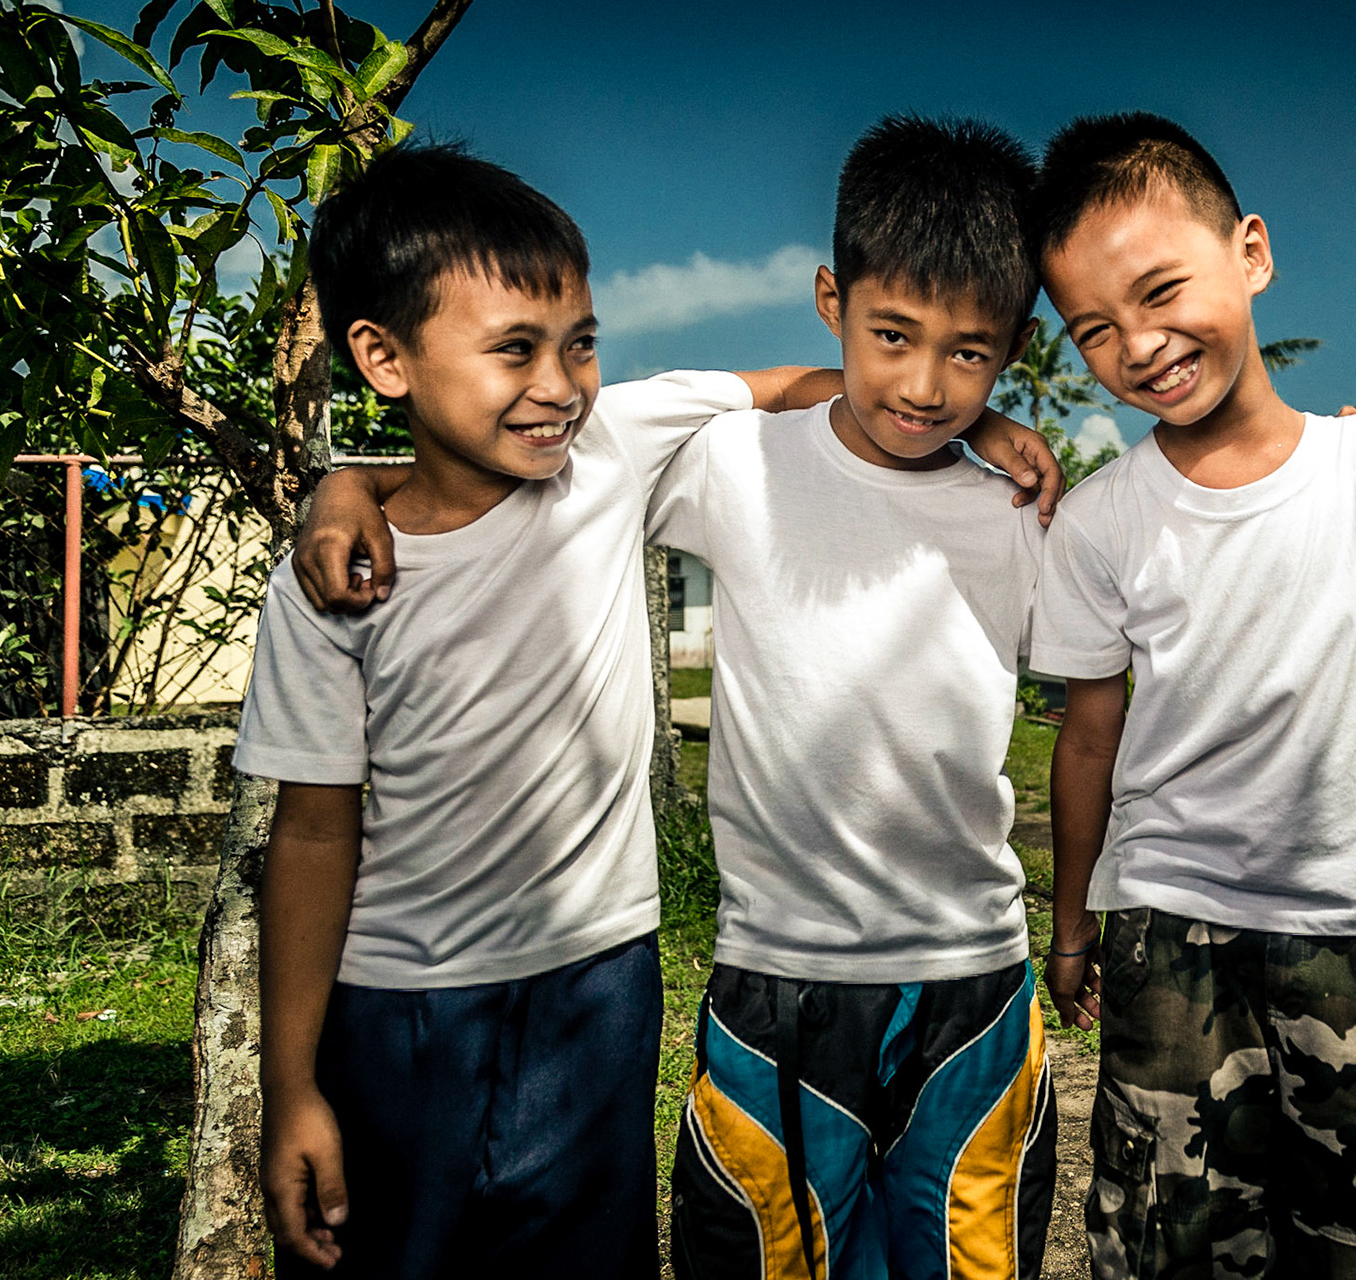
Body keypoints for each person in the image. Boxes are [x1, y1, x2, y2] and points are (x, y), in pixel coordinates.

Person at [238, 143, 1054, 1278]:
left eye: (580, 344)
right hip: (397, 1008)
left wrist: (978, 423)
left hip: (601, 984)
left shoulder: (611, 450)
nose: (559, 384)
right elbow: (312, 831)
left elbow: (789, 387)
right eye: (515, 349)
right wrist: (290, 1085)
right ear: (381, 356)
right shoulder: (337, 580)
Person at [1028, 112, 1356, 1280]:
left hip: (1352, 921)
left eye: (1161, 290)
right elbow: (1088, 736)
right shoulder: (1099, 519)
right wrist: (1073, 925)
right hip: (1165, 930)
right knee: (1173, 1238)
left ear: (1251, 253)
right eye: (1095, 330)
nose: (1140, 344)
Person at [653, 115, 1058, 1280]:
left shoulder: (1019, 513)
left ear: (1017, 345)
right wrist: (355, 489)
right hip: (781, 974)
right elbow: (567, 442)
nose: (924, 386)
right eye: (892, 335)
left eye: (969, 353)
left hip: (972, 975)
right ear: (831, 299)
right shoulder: (740, 461)